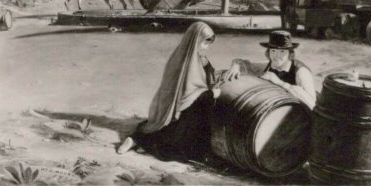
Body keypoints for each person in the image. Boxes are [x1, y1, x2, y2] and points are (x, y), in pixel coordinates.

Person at [116, 22, 232, 160]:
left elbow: (208, 79)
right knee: (175, 149)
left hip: (190, 110)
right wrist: (211, 93)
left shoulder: (199, 58)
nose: (206, 48)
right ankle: (137, 139)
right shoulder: (185, 61)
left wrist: (210, 70)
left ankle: (138, 140)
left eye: (208, 44)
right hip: (182, 112)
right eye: (204, 43)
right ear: (195, 40)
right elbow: (189, 95)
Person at [227, 30, 316, 109]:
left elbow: (312, 104)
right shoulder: (269, 65)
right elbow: (244, 64)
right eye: (273, 51)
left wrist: (280, 83)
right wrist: (236, 65)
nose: (276, 56)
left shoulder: (301, 72)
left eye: (282, 52)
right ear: (268, 52)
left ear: (290, 54)